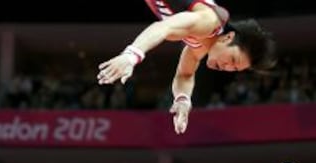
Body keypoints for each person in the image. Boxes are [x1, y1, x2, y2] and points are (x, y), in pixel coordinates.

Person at [97, 0, 277, 135]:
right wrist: (132, 55)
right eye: (232, 59)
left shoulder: (200, 47)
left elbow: (185, 74)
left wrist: (182, 100)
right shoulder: (208, 22)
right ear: (228, 38)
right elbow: (164, 27)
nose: (227, 67)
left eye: (234, 69)